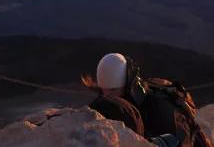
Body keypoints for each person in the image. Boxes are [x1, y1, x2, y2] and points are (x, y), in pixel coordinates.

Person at [83, 53, 211, 147]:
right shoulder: (114, 104)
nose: (108, 95)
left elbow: (180, 142)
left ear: (128, 86)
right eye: (104, 90)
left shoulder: (161, 110)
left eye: (113, 90)